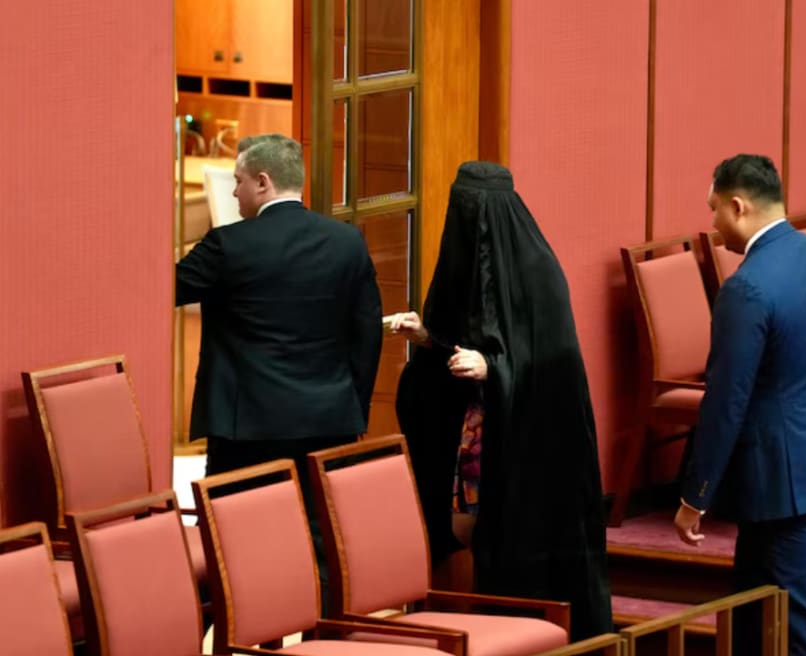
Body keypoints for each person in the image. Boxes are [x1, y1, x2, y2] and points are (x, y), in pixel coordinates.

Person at [390, 161, 613, 640]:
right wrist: (428, 338)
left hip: (529, 443)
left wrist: (495, 369)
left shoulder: (538, 270)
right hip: (476, 431)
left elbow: (554, 365)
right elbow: (465, 340)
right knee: (463, 529)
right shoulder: (462, 263)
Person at [673, 154, 806, 655]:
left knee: (800, 618)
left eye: (714, 210)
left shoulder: (747, 286)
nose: (713, 225)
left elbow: (725, 399)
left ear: (737, 206)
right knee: (752, 606)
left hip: (779, 480)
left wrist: (696, 494)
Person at [175, 134, 382, 556]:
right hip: (329, 420)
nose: (234, 191)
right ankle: (323, 622)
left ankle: (237, 624)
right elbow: (367, 336)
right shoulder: (347, 243)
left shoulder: (229, 245)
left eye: (238, 180)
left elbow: (163, 286)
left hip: (246, 427)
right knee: (322, 544)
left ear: (263, 182)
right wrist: (351, 408)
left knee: (235, 545)